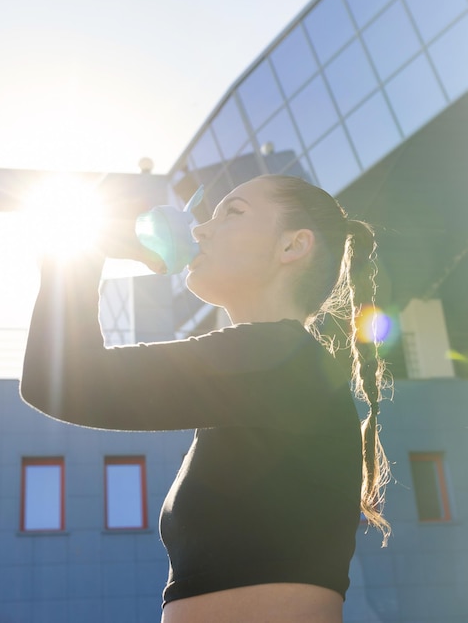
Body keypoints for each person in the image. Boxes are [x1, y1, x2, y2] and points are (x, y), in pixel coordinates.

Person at [20, 174, 390, 623]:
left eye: (232, 212)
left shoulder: (277, 358)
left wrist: (79, 250)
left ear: (292, 246)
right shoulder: (273, 365)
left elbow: (64, 378)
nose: (199, 230)